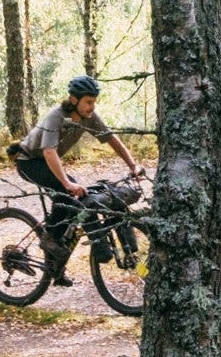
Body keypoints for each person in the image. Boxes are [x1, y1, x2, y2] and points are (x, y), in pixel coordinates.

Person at [12, 75, 146, 285]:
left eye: (94, 101)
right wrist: (67, 183)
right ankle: (50, 238)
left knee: (77, 202)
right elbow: (48, 152)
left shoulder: (89, 117)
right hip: (29, 162)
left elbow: (111, 138)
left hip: (48, 161)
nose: (92, 106)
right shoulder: (55, 117)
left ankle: (55, 268)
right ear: (74, 100)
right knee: (68, 191)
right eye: (88, 102)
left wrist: (133, 165)